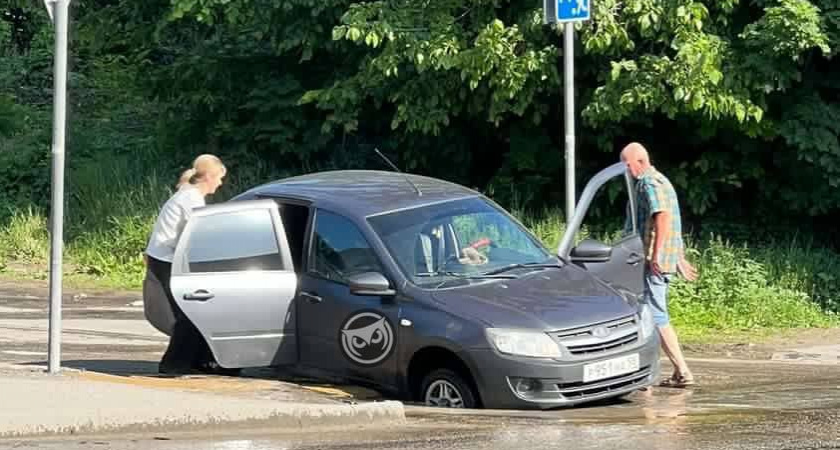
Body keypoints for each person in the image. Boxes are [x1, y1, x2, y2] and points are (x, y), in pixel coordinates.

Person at [620, 142, 699, 388]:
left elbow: (663, 216)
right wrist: (678, 257)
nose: (625, 171)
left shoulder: (647, 183)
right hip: (663, 259)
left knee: (655, 314)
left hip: (653, 262)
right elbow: (674, 221)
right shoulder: (661, 179)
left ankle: (682, 370)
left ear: (639, 163)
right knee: (646, 312)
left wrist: (655, 255)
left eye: (626, 165)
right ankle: (648, 371)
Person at [144, 154, 228, 375]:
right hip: (168, 260)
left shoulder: (188, 194)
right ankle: (174, 363)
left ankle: (198, 360)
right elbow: (195, 236)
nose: (220, 183)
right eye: (219, 178)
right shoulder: (192, 199)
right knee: (191, 314)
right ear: (209, 176)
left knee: (191, 313)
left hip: (164, 257)